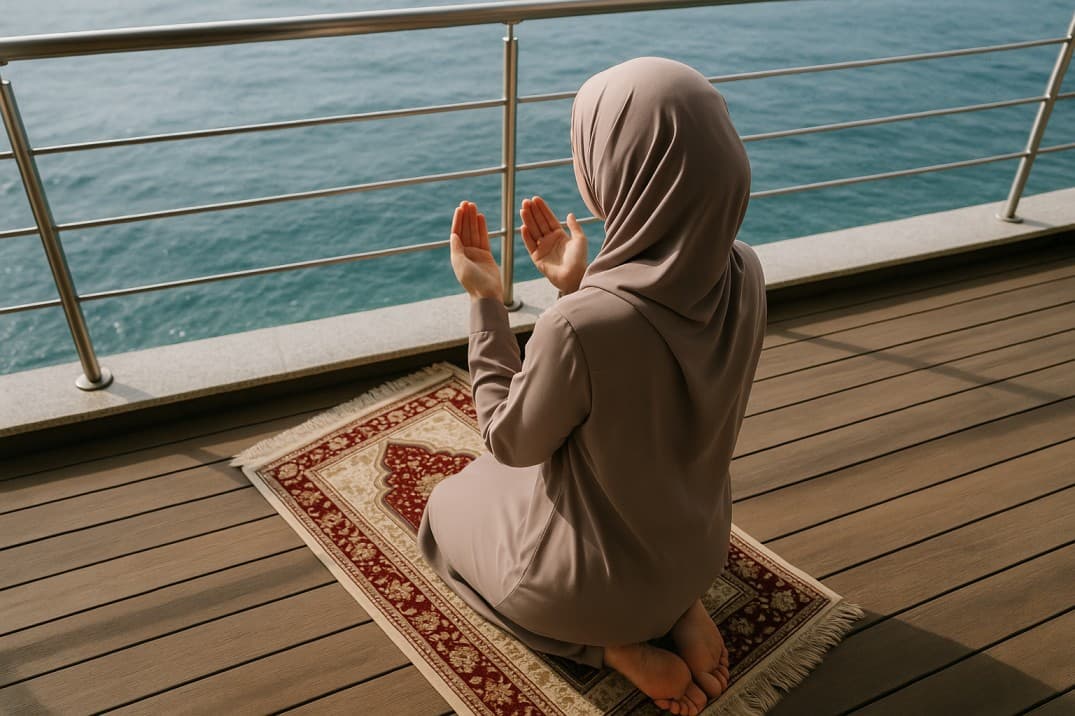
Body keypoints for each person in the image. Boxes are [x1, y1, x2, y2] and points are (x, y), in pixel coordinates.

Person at [417, 56, 766, 716]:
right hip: (697, 552)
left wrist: (487, 301)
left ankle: (610, 649)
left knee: (443, 511)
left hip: (590, 592)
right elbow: (648, 381)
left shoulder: (583, 326)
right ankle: (678, 606)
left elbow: (510, 442)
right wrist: (578, 288)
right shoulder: (745, 270)